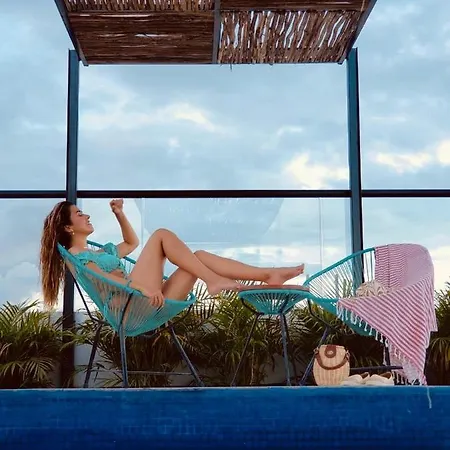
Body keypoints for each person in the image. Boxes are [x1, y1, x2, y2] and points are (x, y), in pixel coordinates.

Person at [39, 199, 305, 309]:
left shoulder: (97, 251)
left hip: (149, 297)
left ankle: (267, 274)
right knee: (161, 235)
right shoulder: (76, 255)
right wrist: (142, 289)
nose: (86, 215)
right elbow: (105, 280)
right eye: (79, 214)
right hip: (133, 305)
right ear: (68, 227)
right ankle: (214, 280)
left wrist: (119, 214)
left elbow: (131, 243)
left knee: (200, 256)